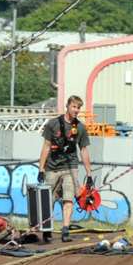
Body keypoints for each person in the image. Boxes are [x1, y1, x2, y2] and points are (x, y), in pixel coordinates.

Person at [38, 95, 93, 243]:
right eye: (74, 107)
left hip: (70, 168)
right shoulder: (53, 124)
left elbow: (84, 150)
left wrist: (89, 173)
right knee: (49, 200)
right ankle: (47, 230)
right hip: (52, 167)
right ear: (67, 106)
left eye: (79, 108)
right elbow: (46, 147)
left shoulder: (80, 128)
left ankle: (65, 230)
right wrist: (41, 169)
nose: (76, 110)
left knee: (68, 199)